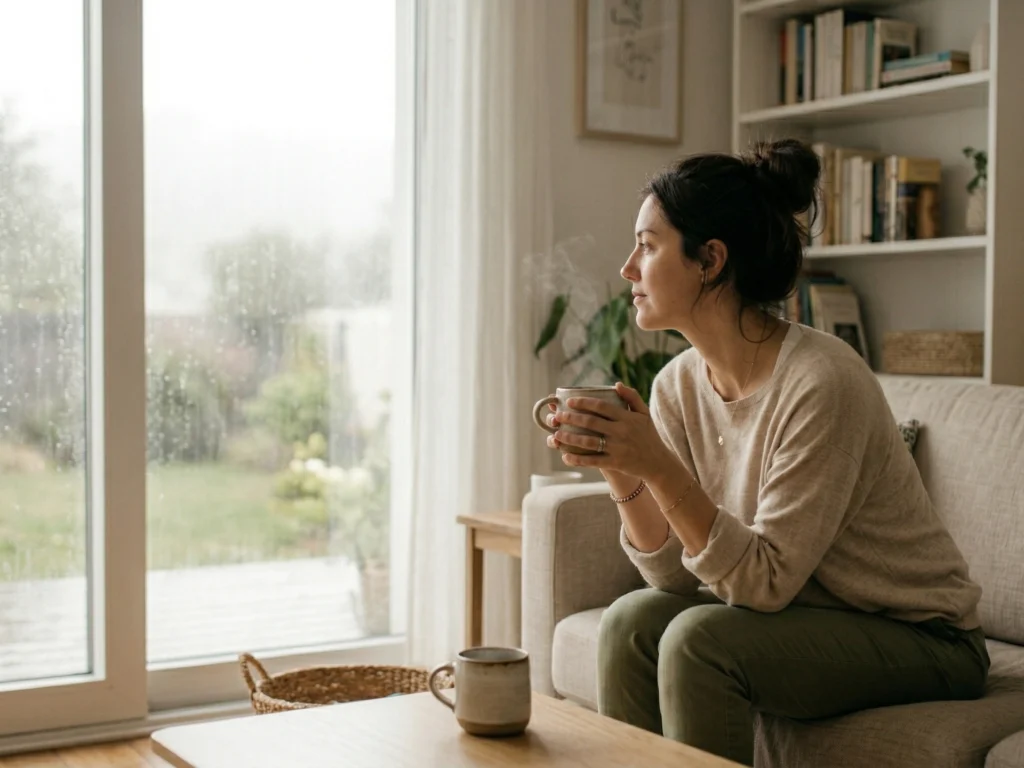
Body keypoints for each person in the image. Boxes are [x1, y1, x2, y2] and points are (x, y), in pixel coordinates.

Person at [542, 139, 988, 766]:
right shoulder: (677, 383)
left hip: (925, 639)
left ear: (710, 260)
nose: (627, 268)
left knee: (700, 640)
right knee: (628, 623)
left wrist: (658, 464)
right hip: (809, 620)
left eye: (647, 245)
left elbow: (764, 582)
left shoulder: (820, 381)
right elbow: (672, 574)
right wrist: (623, 466)